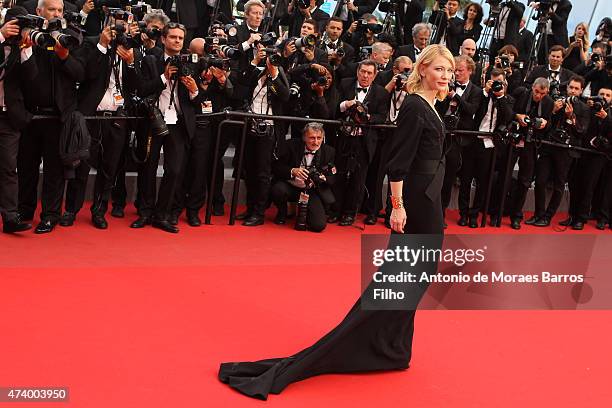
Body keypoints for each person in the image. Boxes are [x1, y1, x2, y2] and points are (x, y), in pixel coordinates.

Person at [218, 44, 454, 400]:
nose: (445, 76)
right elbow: (397, 164)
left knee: (412, 280)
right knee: (403, 279)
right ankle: (370, 344)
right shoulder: (415, 107)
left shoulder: (431, 106)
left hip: (430, 199)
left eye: (449, 71)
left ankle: (392, 346)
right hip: (416, 203)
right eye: (439, 69)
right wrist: (397, 206)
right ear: (422, 70)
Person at [0, 6, 37, 234]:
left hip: (8, 116)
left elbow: (32, 81)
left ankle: (11, 218)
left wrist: (26, 51)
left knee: (7, 168)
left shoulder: (22, 49)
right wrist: (2, 35)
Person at [271, 123, 336, 231]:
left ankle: (304, 213)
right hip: (290, 186)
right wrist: (293, 171)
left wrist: (323, 179)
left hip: (311, 190)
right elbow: (276, 167)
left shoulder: (329, 151)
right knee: (278, 189)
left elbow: (333, 176)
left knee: (318, 226)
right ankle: (282, 212)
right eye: (312, 138)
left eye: (319, 138)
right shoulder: (290, 145)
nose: (316, 142)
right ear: (304, 138)